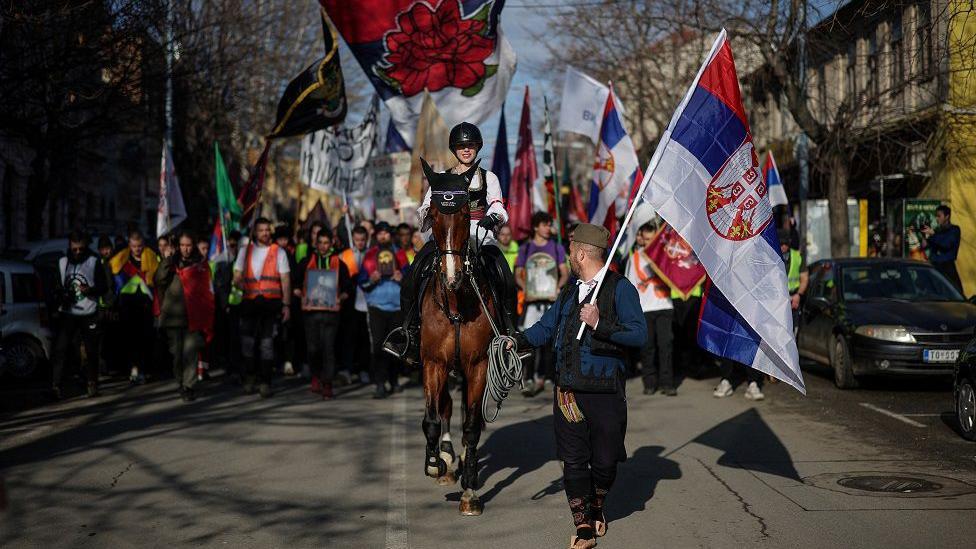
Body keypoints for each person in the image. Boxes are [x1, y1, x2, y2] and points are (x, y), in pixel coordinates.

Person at [512, 224, 646, 549]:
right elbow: (546, 327)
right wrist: (516, 340)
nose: (569, 255)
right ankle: (583, 526)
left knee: (604, 460)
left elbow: (639, 334)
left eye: (571, 249)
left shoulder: (621, 288)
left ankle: (598, 503)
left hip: (605, 393)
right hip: (568, 390)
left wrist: (600, 324)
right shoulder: (570, 291)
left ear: (582, 253)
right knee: (573, 459)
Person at [389, 121, 516, 362]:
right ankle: (408, 333)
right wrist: (429, 215)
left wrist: (493, 218)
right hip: (445, 239)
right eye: (461, 146)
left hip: (480, 237)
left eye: (470, 146)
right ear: (454, 149)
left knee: (505, 277)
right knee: (412, 275)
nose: (466, 150)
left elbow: (498, 206)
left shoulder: (490, 178)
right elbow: (426, 206)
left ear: (478, 147)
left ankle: (511, 332)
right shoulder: (441, 179)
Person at [233, 218, 291, 398]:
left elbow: (285, 280)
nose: (265, 233)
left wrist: (286, 305)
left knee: (267, 344)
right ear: (255, 232)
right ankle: (250, 377)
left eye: (267, 230)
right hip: (250, 303)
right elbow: (236, 275)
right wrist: (242, 285)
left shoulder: (278, 252)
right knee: (247, 343)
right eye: (261, 230)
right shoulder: (245, 251)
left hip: (270, 304)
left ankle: (265, 382)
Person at [155, 231, 214, 402]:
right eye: (182, 245)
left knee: (191, 352)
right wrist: (167, 260)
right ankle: (180, 381)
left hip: (193, 316)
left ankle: (189, 385)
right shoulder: (172, 263)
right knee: (177, 354)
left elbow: (207, 290)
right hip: (173, 316)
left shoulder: (200, 264)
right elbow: (159, 280)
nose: (185, 249)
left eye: (188, 245)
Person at [515, 211, 569, 396]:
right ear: (536, 227)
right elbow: (518, 274)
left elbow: (564, 273)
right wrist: (525, 290)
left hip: (549, 303)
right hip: (531, 304)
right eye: (545, 224)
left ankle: (542, 376)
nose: (548, 228)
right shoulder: (526, 249)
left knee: (548, 341)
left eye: (549, 224)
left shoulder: (557, 248)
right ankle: (528, 376)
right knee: (530, 339)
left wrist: (557, 289)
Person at [51, 231, 109, 399]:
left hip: (89, 312)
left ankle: (92, 383)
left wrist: (90, 290)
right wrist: (61, 295)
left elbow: (103, 287)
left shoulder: (93, 261)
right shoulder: (62, 262)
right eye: (74, 249)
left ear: (86, 246)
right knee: (61, 349)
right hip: (68, 313)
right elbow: (56, 287)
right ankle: (56, 385)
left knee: (91, 351)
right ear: (69, 246)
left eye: (81, 249)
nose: (77, 252)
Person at [296, 229, 352, 399]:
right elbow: (296, 285)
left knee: (328, 348)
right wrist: (301, 295)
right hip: (311, 312)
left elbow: (348, 288)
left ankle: (327, 383)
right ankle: (315, 376)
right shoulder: (306, 261)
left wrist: (339, 299)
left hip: (331, 314)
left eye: (326, 243)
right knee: (313, 348)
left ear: (331, 244)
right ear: (316, 243)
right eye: (320, 242)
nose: (323, 246)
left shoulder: (339, 263)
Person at [626, 223, 676, 396]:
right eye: (645, 239)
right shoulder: (635, 258)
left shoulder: (665, 255)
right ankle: (649, 383)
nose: (648, 243)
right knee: (647, 348)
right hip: (645, 309)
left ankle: (667, 383)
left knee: (665, 346)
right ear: (640, 238)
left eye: (652, 239)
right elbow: (631, 285)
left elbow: (675, 277)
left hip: (664, 306)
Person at [360, 221, 408, 398]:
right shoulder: (370, 255)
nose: (383, 236)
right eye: (380, 233)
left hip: (396, 307)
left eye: (386, 233)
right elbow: (361, 281)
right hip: (377, 307)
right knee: (379, 345)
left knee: (394, 346)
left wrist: (401, 277)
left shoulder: (400, 254)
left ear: (390, 235)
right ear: (376, 236)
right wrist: (371, 279)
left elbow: (409, 279)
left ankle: (394, 380)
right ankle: (380, 383)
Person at [110, 229, 159, 384]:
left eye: (139, 246)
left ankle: (144, 369)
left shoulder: (151, 257)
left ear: (143, 244)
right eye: (134, 246)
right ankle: (133, 369)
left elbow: (156, 280)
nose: (137, 249)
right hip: (128, 303)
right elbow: (115, 279)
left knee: (145, 338)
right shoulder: (122, 260)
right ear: (129, 245)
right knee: (130, 339)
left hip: (145, 303)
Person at [338, 225, 371, 385]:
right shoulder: (345, 255)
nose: (360, 243)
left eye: (362, 240)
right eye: (357, 240)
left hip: (366, 300)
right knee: (349, 336)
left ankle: (364, 369)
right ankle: (347, 369)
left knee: (364, 336)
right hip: (350, 301)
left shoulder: (371, 254)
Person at [274, 224, 300, 376]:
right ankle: (277, 361)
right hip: (273, 298)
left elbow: (294, 275)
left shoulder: (290, 254)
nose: (283, 243)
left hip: (288, 299)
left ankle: (288, 361)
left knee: (288, 332)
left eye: (285, 239)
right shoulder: (273, 254)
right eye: (280, 239)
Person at [922, 204, 963, 293]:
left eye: (939, 216)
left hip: (947, 268)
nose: (937, 218)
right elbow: (925, 245)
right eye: (936, 216)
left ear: (947, 217)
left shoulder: (954, 230)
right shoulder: (937, 231)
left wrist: (933, 235)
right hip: (934, 267)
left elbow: (946, 244)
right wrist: (924, 236)